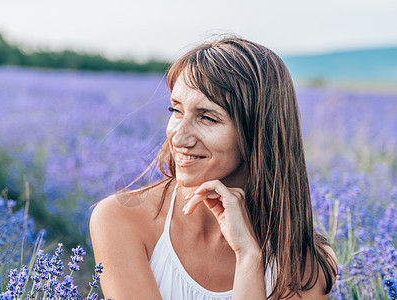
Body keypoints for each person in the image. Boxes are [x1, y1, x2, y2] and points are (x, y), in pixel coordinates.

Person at [90, 36, 338, 300]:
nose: (178, 137)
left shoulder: (307, 265)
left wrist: (249, 257)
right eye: (176, 110)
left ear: (258, 133)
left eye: (207, 117)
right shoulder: (121, 220)